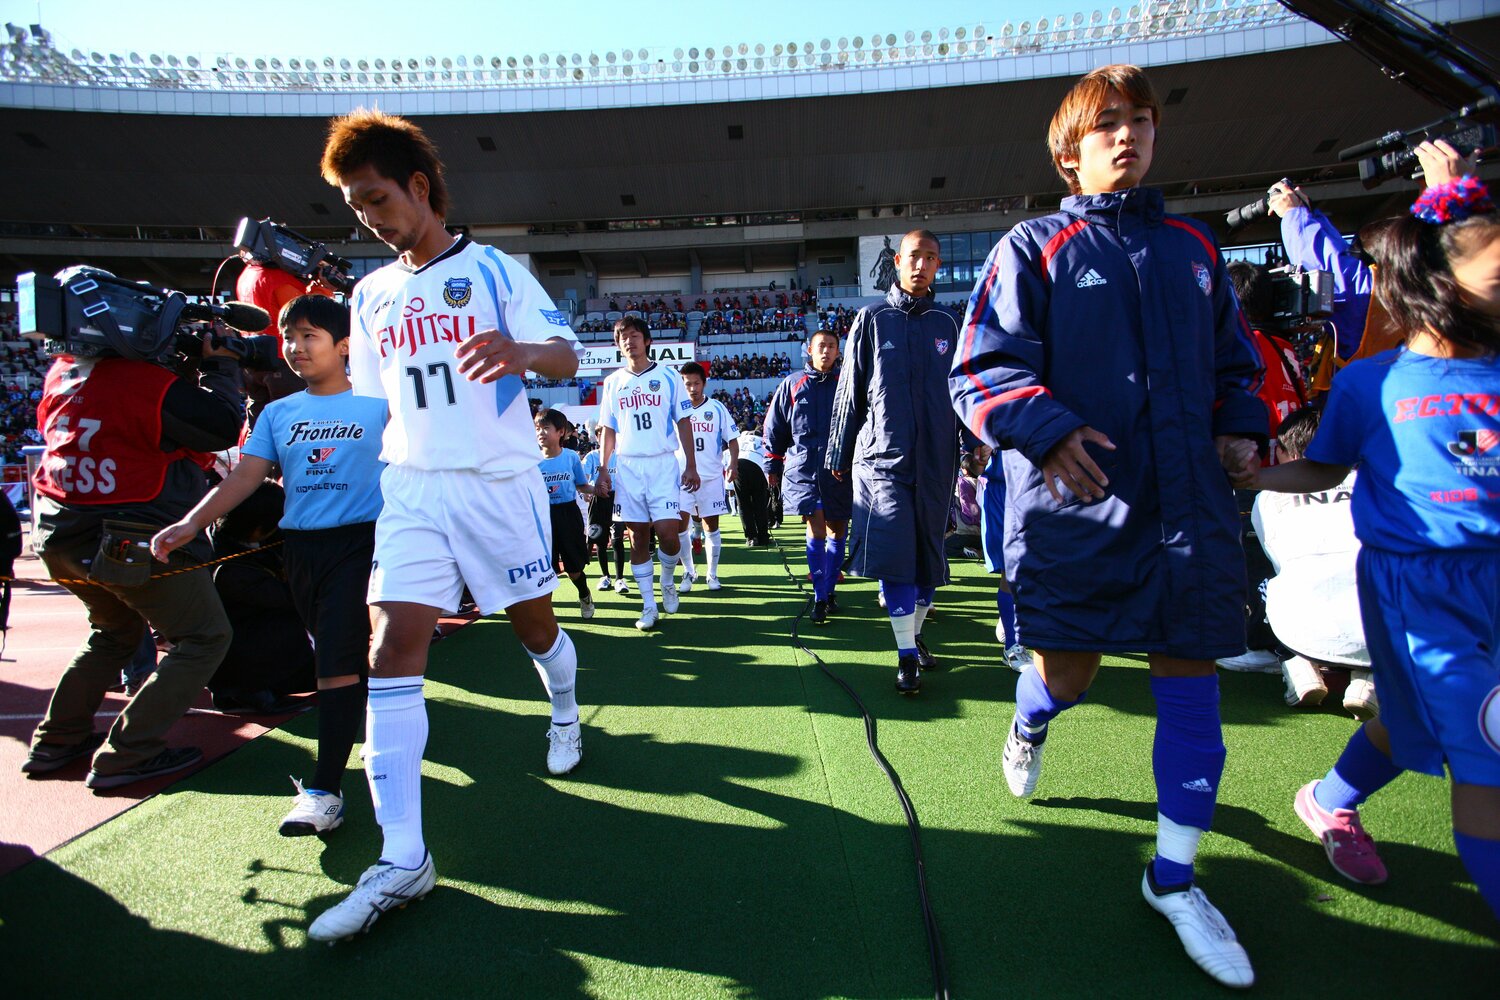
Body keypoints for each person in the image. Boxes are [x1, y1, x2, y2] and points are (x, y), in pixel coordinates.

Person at [949, 65, 1265, 987]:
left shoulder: (1194, 250)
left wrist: (1240, 429)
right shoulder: (1033, 247)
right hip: (1079, 518)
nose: (1126, 136)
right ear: (1068, 151)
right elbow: (980, 371)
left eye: (1140, 121)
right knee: (1067, 676)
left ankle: (1172, 879)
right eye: (1106, 126)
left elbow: (1235, 366)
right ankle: (1031, 721)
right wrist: (1043, 433)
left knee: (1193, 688)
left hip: (1190, 515)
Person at [309, 108, 585, 942]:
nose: (365, 214)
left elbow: (570, 355)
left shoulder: (498, 270)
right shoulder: (370, 293)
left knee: (535, 630)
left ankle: (566, 710)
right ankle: (404, 858)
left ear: (418, 187)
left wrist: (523, 353)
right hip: (415, 490)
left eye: (375, 197)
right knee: (390, 646)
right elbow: (369, 403)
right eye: (353, 204)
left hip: (500, 486)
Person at [1251, 165, 1500, 921]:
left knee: (1408, 720)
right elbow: (1324, 465)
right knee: (1487, 763)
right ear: (1439, 279)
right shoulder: (1371, 383)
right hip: (1420, 595)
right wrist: (1244, 479)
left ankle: (1328, 802)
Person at [153, 294, 387, 836]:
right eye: (289, 337)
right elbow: (244, 477)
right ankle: (386, 724)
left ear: (345, 346)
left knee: (335, 662)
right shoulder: (279, 413)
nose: (296, 347)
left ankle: (326, 791)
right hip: (298, 552)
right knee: (342, 661)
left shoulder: (379, 406)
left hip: (361, 545)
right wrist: (191, 523)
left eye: (310, 336)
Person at [21, 267, 242, 789]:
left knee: (113, 634)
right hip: (126, 537)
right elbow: (220, 426)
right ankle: (127, 753)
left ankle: (56, 742)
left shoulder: (63, 371)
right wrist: (221, 368)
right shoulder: (144, 383)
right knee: (204, 637)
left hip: (60, 533)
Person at [827, 231, 962, 693]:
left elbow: (963, 391)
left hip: (937, 461)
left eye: (930, 258)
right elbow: (850, 390)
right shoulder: (871, 318)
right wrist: (837, 454)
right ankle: (905, 655)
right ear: (898, 262)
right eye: (913, 257)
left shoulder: (949, 322)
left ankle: (914, 635)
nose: (920, 265)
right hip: (881, 461)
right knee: (896, 560)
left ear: (938, 265)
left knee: (929, 558)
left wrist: (976, 442)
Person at [1247, 406, 1374, 718]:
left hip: (1300, 626)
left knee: (1276, 576)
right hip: (1380, 627)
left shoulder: (1267, 495)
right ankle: (1367, 683)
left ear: (1289, 453)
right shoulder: (1376, 487)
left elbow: (1275, 558)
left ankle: (1297, 666)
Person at [594, 317, 699, 631]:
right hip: (628, 467)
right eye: (624, 337)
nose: (630, 341)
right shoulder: (612, 382)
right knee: (638, 537)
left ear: (647, 340)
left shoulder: (668, 377)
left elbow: (683, 422)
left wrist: (690, 464)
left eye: (635, 335)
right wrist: (603, 469)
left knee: (669, 535)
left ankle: (667, 579)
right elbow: (608, 429)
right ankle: (648, 606)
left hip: (662, 464)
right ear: (619, 344)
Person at [764, 329, 851, 625]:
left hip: (840, 469)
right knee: (816, 529)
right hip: (804, 469)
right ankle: (820, 596)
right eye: (820, 346)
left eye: (831, 346)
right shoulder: (792, 384)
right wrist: (772, 466)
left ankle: (829, 589)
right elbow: (774, 427)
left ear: (838, 351)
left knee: (837, 532)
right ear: (810, 351)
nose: (826, 351)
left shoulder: (848, 384)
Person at [672, 362, 738, 593]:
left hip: (710, 479)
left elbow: (732, 438)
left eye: (696, 383)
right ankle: (689, 572)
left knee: (712, 527)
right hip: (681, 480)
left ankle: (712, 574)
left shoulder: (717, 408)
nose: (692, 388)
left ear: (704, 383)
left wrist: (733, 464)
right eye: (687, 384)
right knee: (680, 527)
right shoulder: (674, 410)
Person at [535, 408, 595, 619]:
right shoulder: (532, 460)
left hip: (568, 515)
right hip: (543, 518)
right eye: (537, 428)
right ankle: (544, 613)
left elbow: (582, 485)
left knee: (574, 568)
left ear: (561, 432)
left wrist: (597, 490)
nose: (541, 432)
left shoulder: (570, 457)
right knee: (545, 568)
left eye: (546, 428)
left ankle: (584, 594)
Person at [581, 425, 628, 594]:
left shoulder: (622, 457)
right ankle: (605, 576)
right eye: (603, 436)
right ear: (598, 438)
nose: (607, 440)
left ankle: (620, 579)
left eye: (611, 437)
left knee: (617, 539)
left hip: (617, 499)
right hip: (598, 500)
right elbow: (584, 478)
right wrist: (587, 492)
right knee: (600, 540)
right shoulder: (591, 457)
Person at [734, 428, 773, 547]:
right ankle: (763, 536)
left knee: (743, 503)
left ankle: (751, 538)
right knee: (759, 503)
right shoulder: (763, 440)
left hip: (739, 463)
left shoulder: (741, 438)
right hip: (757, 466)